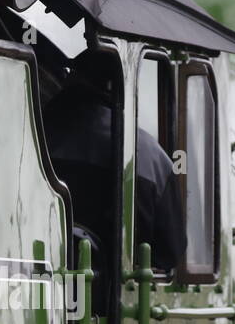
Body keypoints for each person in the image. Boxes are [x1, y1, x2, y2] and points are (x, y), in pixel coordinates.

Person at [42, 53, 187, 272]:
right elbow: (170, 254)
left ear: (72, 79)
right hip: (111, 299)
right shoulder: (152, 157)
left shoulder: (24, 133)